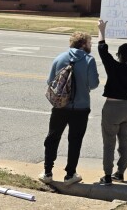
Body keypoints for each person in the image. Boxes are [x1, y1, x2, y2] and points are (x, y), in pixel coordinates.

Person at [40, 31, 100, 185]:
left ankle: (47, 171)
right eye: (89, 43)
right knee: (75, 140)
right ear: (82, 44)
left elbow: (50, 81)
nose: (91, 45)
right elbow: (94, 84)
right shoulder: (89, 60)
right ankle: (70, 174)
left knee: (53, 137)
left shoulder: (59, 58)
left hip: (60, 106)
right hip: (81, 107)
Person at [97, 18, 127, 186]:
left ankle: (108, 175)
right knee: (124, 141)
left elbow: (103, 50)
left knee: (109, 142)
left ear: (119, 56)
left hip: (112, 107)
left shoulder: (114, 67)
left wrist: (102, 30)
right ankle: (120, 172)